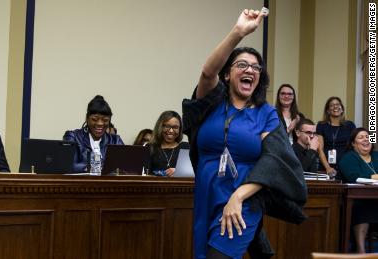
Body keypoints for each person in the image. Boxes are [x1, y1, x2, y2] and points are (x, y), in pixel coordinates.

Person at [181, 8, 306, 259]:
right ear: (227, 74)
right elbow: (207, 72)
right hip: (207, 195)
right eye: (242, 65)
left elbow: (274, 162)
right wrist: (238, 32)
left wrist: (238, 197)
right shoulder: (211, 103)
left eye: (256, 68)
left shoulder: (266, 114)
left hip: (244, 198)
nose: (250, 70)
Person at [339, 128, 378, 253]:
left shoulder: (376, 155)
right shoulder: (349, 158)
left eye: (367, 136)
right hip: (355, 200)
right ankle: (361, 250)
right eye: (361, 137)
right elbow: (354, 177)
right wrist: (375, 176)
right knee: (363, 207)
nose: (365, 139)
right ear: (353, 143)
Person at [63, 95, 124, 172]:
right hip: (81, 183)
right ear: (87, 118)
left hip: (110, 183)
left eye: (105, 120)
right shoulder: (73, 137)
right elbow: (67, 165)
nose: (100, 123)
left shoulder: (115, 140)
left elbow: (126, 165)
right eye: (95, 119)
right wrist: (94, 166)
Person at [316, 97, 355, 177]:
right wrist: (328, 168)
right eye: (332, 105)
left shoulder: (350, 125)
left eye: (338, 104)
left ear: (342, 109)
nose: (335, 107)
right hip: (326, 166)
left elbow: (354, 147)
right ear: (327, 110)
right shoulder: (321, 125)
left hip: (346, 165)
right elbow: (320, 149)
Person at [148, 111, 189, 177]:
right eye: (167, 126)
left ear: (180, 129)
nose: (171, 131)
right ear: (160, 127)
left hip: (180, 187)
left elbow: (195, 172)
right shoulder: (150, 148)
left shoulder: (186, 148)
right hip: (155, 186)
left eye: (175, 127)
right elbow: (144, 174)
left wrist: (179, 172)